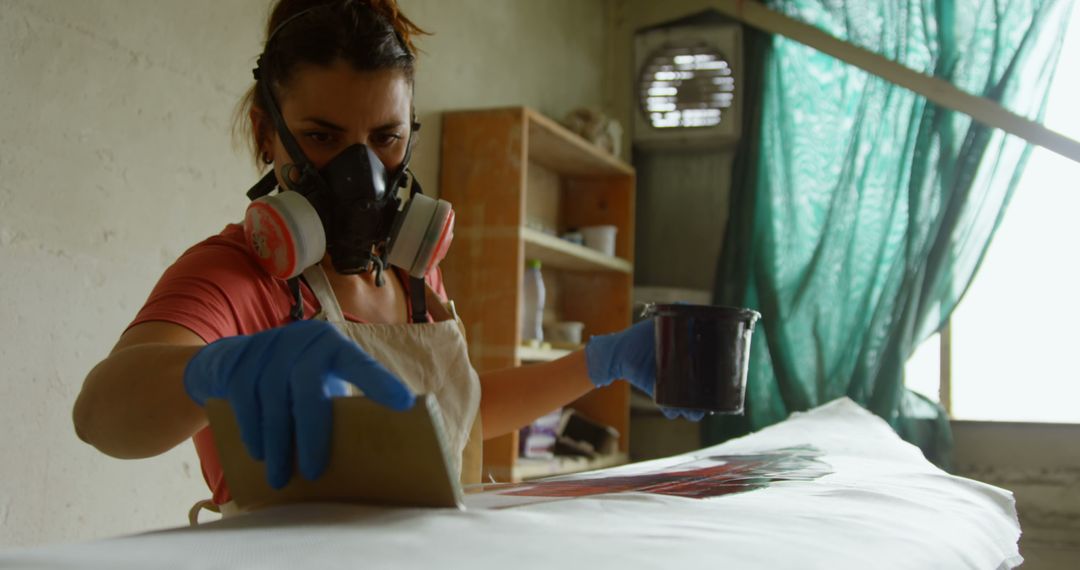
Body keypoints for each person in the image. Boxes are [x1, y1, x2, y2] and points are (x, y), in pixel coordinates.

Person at [72, 0, 700, 512]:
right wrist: (209, 369)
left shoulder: (412, 267)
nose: (361, 172)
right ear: (269, 134)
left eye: (385, 138)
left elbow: (456, 418)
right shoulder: (235, 273)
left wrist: (599, 362)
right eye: (321, 137)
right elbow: (100, 415)